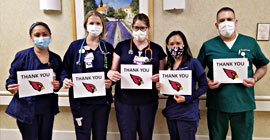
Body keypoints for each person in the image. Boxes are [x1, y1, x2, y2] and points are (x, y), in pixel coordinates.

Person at [197, 7, 269, 140]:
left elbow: (263, 66)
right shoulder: (208, 46)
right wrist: (207, 82)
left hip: (243, 104)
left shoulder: (250, 43)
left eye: (229, 19)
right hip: (217, 104)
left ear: (236, 22)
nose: (226, 23)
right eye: (222, 20)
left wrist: (254, 78)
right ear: (216, 25)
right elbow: (198, 71)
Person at [107, 13, 166, 140]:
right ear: (132, 28)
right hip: (124, 102)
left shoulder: (157, 50)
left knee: (146, 136)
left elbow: (163, 75)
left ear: (148, 28)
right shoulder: (121, 47)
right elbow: (112, 70)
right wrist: (111, 74)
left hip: (148, 102)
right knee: (127, 136)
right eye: (136, 28)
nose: (139, 31)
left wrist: (159, 78)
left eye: (143, 28)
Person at [61, 10, 114, 140]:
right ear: (86, 26)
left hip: (102, 101)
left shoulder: (107, 48)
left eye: (98, 23)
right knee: (82, 135)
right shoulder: (75, 46)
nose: (94, 26)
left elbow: (113, 72)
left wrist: (111, 82)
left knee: (100, 135)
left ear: (102, 27)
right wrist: (65, 80)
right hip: (81, 102)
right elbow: (64, 69)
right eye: (91, 23)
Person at [5, 21, 62, 140]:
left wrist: (58, 85)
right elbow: (11, 79)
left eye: (45, 34)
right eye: (37, 35)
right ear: (31, 38)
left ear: (50, 36)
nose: (41, 38)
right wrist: (11, 87)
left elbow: (59, 80)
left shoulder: (56, 59)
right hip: (26, 109)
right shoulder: (22, 56)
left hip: (47, 109)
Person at [155, 31, 208, 140]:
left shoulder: (194, 63)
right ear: (167, 46)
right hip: (172, 112)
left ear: (184, 44)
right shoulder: (168, 65)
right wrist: (161, 88)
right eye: (171, 44)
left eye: (178, 43)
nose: (175, 47)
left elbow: (204, 86)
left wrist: (187, 98)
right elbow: (168, 91)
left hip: (188, 114)